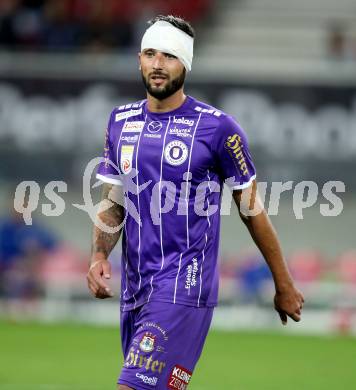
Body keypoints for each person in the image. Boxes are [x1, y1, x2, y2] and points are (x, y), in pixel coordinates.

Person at [87, 15, 305, 390]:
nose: (158, 64)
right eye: (150, 53)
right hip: (136, 288)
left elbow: (252, 212)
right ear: (139, 59)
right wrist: (98, 256)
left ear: (185, 63)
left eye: (169, 56)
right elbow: (115, 199)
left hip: (184, 287)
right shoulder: (120, 121)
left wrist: (283, 283)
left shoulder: (218, 129)